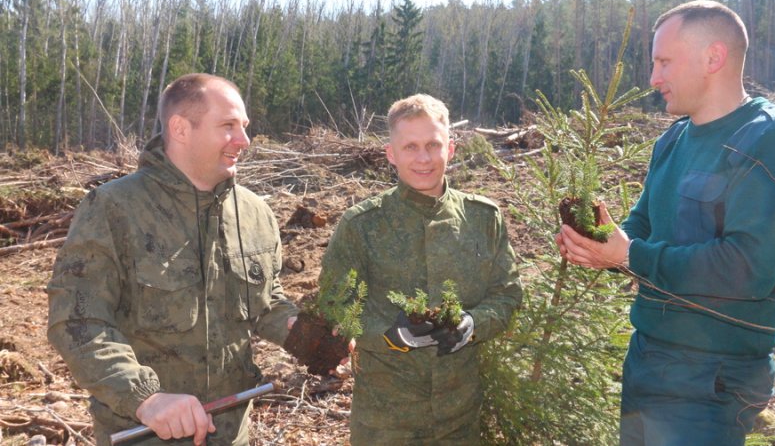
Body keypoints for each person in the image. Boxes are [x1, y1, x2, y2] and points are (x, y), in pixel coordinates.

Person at [557, 0, 775, 445]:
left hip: (713, 379)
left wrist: (630, 253)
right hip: (648, 360)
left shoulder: (772, 138)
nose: (653, 78)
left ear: (714, 57)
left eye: (664, 62)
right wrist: (599, 246)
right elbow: (642, 228)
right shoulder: (673, 139)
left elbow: (747, 268)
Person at [47, 74, 299, 446]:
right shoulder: (114, 208)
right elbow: (79, 320)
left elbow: (264, 300)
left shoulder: (254, 212)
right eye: (228, 126)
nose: (244, 141)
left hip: (232, 432)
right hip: (144, 434)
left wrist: (299, 330)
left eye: (244, 127)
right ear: (181, 128)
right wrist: (145, 398)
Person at [320, 93, 523, 445]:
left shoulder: (482, 219)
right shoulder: (362, 225)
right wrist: (388, 334)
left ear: (452, 148)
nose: (424, 158)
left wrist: (473, 325)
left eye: (433, 144)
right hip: (386, 422)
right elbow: (334, 310)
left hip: (460, 418)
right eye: (410, 147)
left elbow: (507, 295)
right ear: (391, 154)